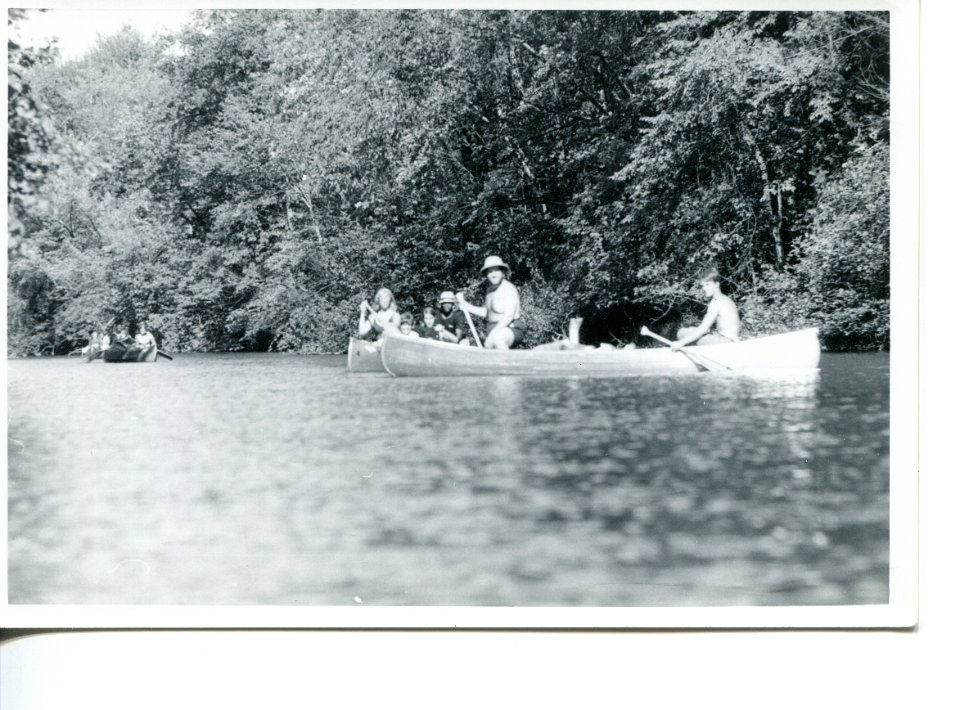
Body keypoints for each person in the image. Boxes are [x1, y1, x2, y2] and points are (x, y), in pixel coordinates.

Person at [456, 255, 523, 350]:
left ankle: (507, 363)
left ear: (503, 272)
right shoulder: (490, 291)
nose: (493, 274)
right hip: (494, 330)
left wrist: (492, 335)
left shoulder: (509, 289)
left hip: (510, 328)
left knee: (497, 338)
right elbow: (487, 313)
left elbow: (508, 316)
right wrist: (468, 307)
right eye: (490, 271)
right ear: (487, 274)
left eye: (496, 270)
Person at [672, 267, 740, 349]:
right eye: (703, 285)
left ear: (717, 284)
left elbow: (703, 329)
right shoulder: (725, 299)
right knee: (690, 330)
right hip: (730, 340)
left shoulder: (716, 301)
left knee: (682, 333)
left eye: (707, 285)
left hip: (726, 343)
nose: (704, 288)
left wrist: (681, 343)